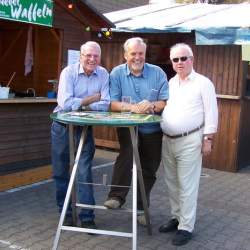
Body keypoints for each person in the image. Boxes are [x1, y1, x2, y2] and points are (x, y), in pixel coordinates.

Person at [104, 37, 169, 225]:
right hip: (127, 125)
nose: (137, 57)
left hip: (152, 128)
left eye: (141, 53)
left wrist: (152, 105)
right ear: (126, 55)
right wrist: (132, 108)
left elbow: (164, 101)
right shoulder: (116, 73)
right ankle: (116, 196)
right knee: (128, 152)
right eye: (133, 53)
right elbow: (112, 104)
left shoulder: (157, 73)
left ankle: (141, 208)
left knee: (149, 167)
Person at [159, 43, 218, 246]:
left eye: (183, 58)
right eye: (175, 59)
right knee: (172, 183)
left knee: (187, 185)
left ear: (192, 59)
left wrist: (208, 139)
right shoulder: (171, 83)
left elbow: (211, 112)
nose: (180, 62)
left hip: (190, 140)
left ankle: (186, 227)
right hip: (168, 139)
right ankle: (177, 218)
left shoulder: (203, 83)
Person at [51, 41, 110, 230]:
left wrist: (81, 104)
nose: (92, 59)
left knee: (84, 171)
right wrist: (91, 99)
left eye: (96, 56)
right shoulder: (68, 72)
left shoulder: (103, 74)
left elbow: (106, 104)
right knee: (61, 172)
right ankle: (66, 213)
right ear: (81, 56)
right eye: (88, 55)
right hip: (63, 126)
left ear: (99, 57)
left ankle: (86, 216)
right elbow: (65, 103)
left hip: (84, 128)